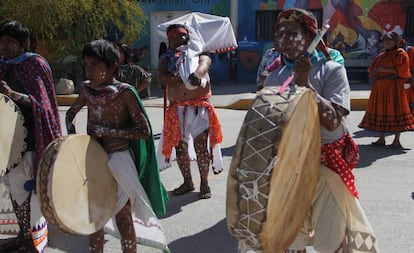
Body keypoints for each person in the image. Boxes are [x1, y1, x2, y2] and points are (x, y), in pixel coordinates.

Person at [243, 8, 378, 252]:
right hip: (289, 171)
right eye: (280, 34)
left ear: (311, 37)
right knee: (290, 242)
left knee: (331, 242)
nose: (284, 40)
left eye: (292, 33)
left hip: (327, 169)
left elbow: (334, 122)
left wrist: (305, 86)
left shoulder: (331, 70)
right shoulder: (274, 77)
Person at [65, 39, 168, 253]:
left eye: (95, 65)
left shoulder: (125, 92)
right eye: (86, 65)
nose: (89, 70)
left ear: (112, 66)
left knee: (123, 217)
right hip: (93, 159)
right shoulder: (87, 90)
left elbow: (144, 131)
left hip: (119, 160)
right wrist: (72, 138)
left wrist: (112, 133)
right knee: (95, 218)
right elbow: (71, 113)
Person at [0, 20, 62, 252]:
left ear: (23, 43)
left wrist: (13, 94)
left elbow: (43, 106)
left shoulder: (34, 64)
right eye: (2, 41)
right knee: (12, 190)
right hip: (6, 139)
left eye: (10, 42)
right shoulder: (3, 65)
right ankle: (21, 234)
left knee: (29, 190)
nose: (4, 47)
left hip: (31, 140)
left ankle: (34, 239)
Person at [158, 24, 223, 199]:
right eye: (176, 37)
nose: (180, 39)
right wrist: (178, 76)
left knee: (201, 147)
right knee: (180, 148)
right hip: (178, 109)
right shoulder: (166, 58)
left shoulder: (197, 51)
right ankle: (188, 182)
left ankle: (204, 182)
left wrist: (197, 73)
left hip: (199, 108)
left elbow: (205, 63)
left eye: (183, 36)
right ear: (169, 40)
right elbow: (161, 78)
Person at [358, 31, 414, 148]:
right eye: (385, 41)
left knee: (396, 111)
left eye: (389, 41)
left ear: (395, 42)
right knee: (381, 111)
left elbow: (403, 72)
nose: (386, 43)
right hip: (380, 88)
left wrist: (384, 69)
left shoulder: (400, 54)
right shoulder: (381, 56)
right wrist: (374, 71)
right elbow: (372, 70)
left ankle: (396, 140)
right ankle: (381, 138)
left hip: (394, 88)